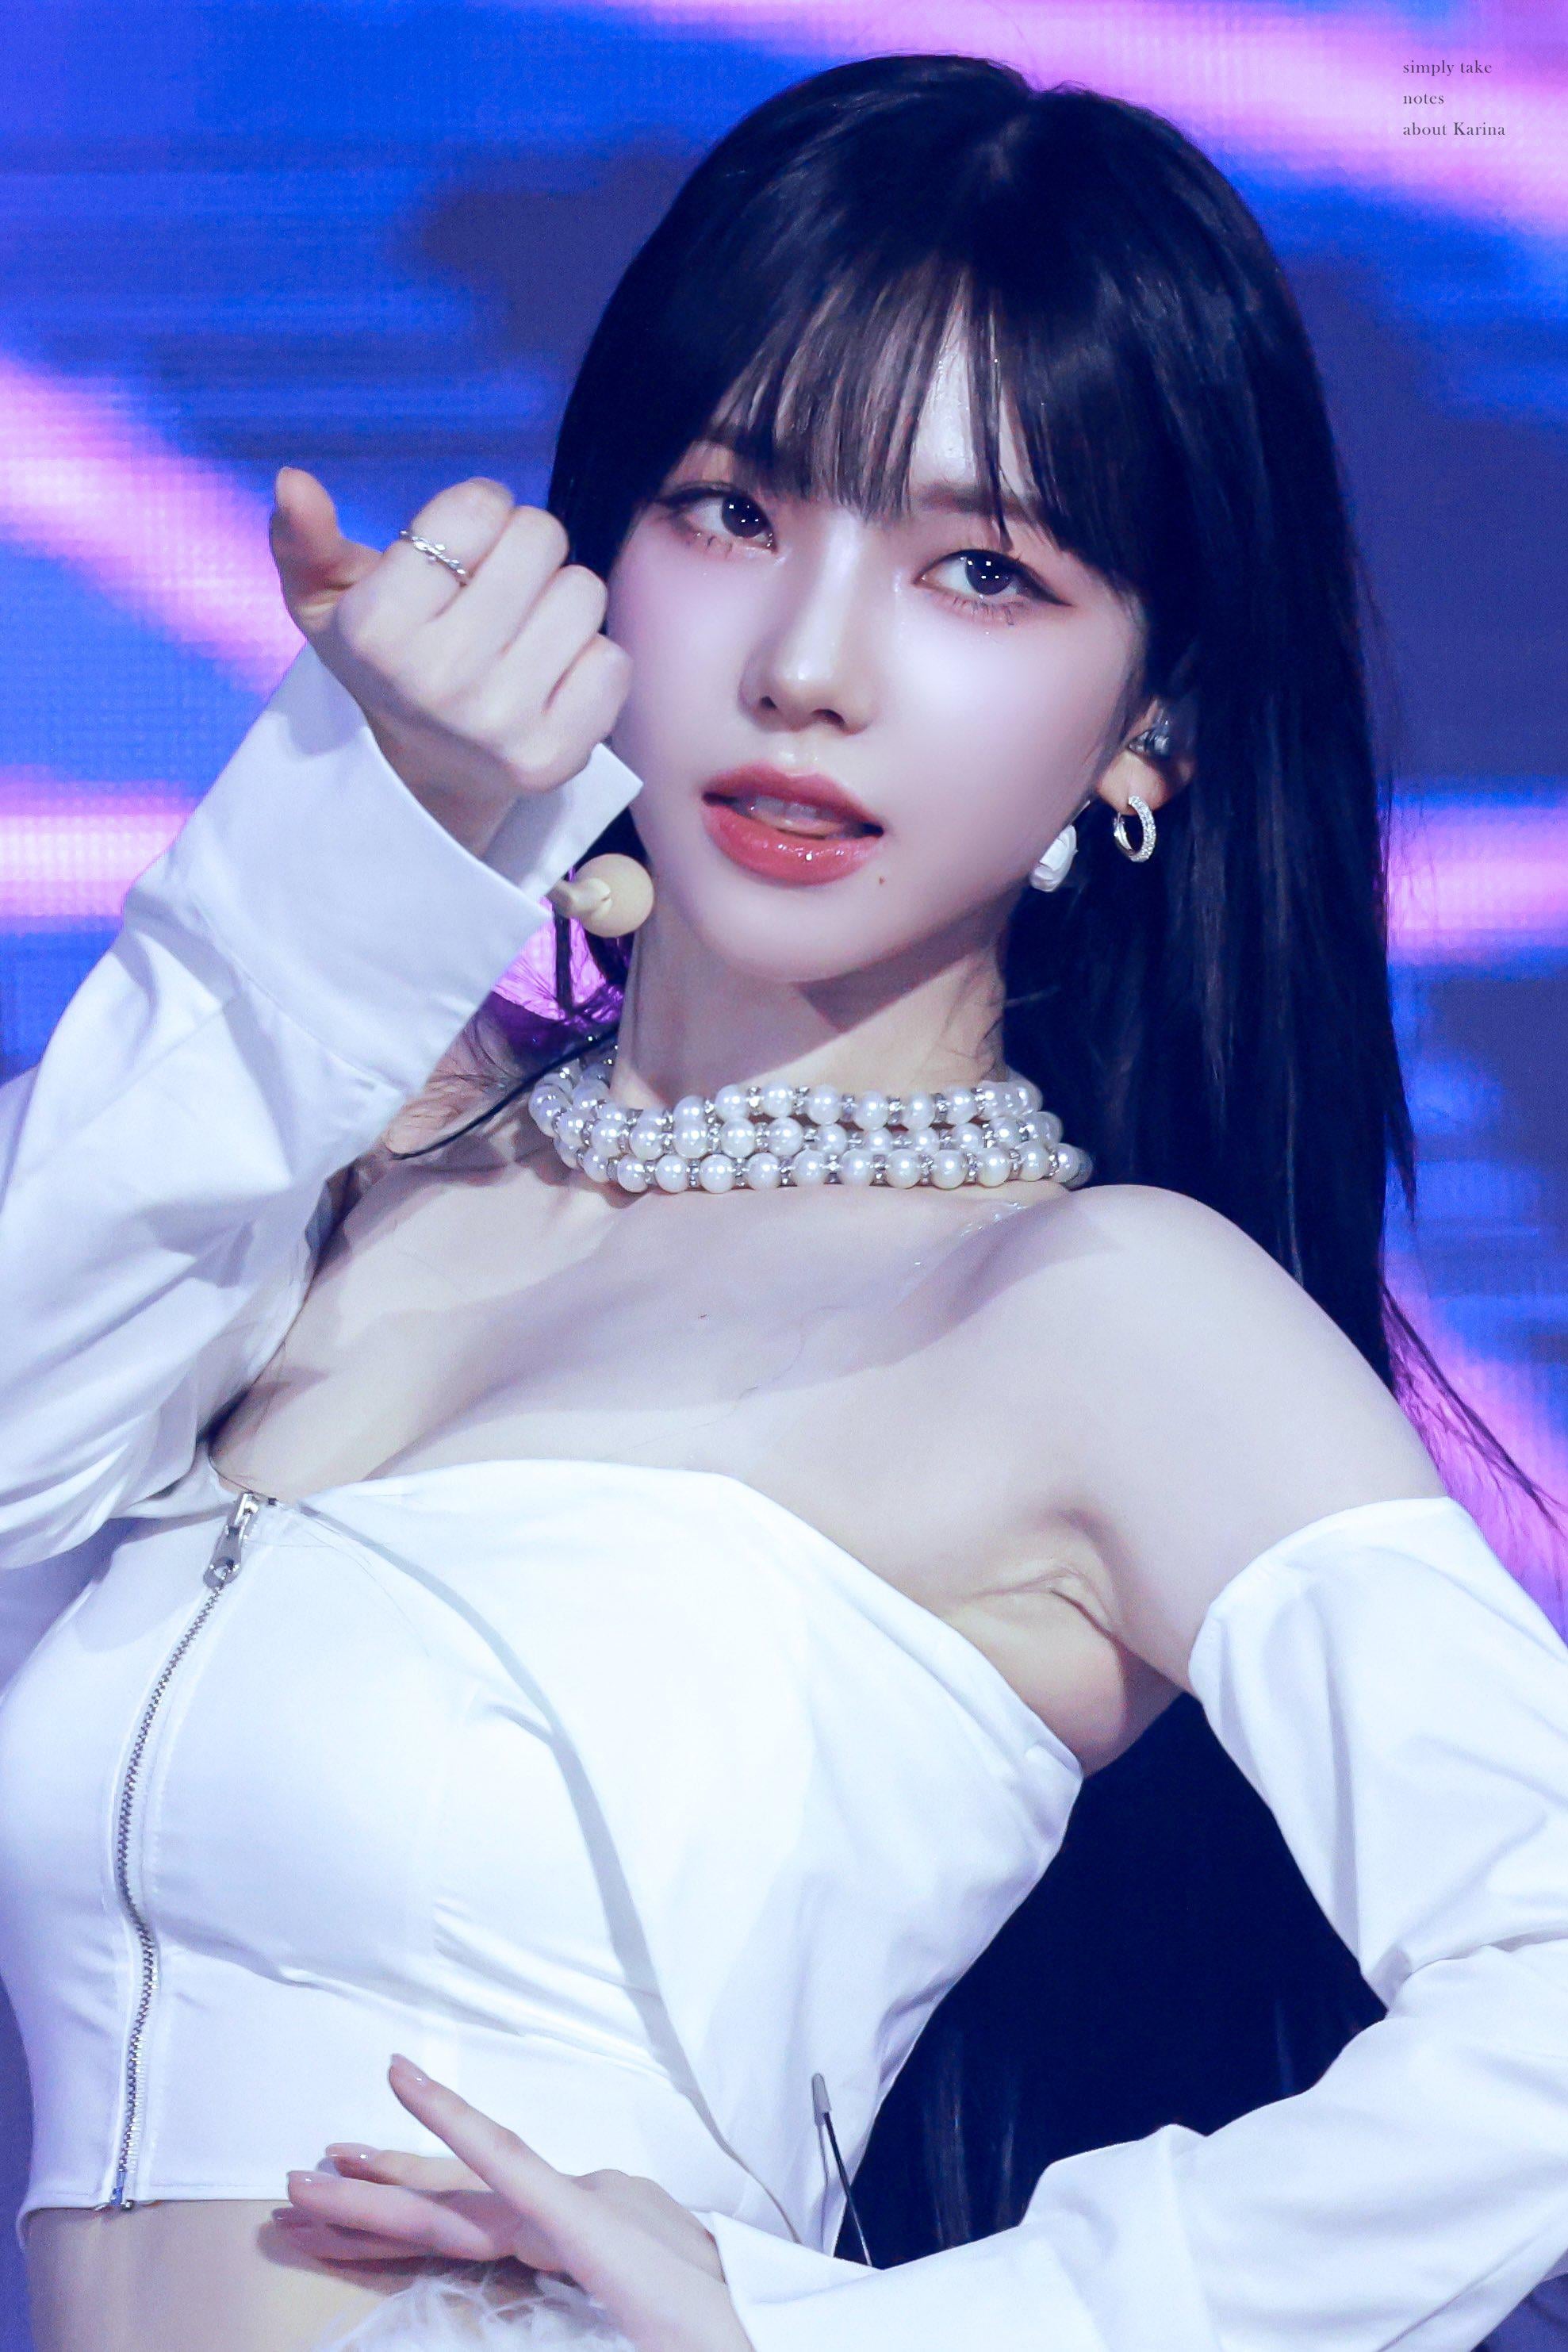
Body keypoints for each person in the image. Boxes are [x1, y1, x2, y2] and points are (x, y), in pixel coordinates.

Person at [0, 50, 1566, 2352]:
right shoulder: (316, 1161)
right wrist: (361, 845)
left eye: (981, 571)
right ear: (591, 560)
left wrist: (868, 2334)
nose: (811, 668)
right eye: (733, 511)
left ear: (1154, 727)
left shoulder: (1103, 1313)